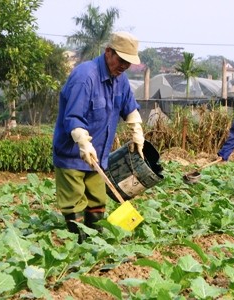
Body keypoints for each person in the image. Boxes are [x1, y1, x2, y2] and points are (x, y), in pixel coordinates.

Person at [52, 31, 145, 243]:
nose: (123, 66)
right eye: (121, 60)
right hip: (72, 154)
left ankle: (95, 242)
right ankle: (78, 243)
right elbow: (73, 117)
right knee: (74, 202)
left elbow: (129, 107)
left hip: (99, 156)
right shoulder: (85, 77)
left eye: (128, 63)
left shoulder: (121, 79)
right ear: (108, 52)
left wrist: (137, 131)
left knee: (97, 201)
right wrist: (83, 143)